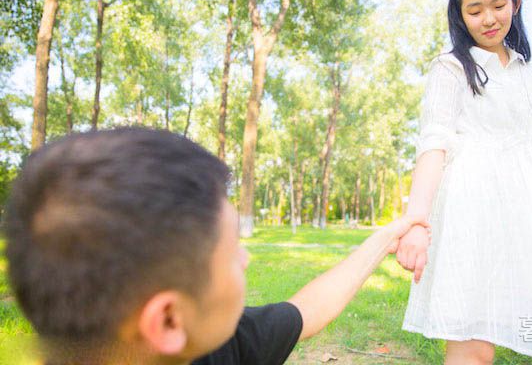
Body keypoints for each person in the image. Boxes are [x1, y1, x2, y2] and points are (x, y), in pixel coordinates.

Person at [3, 127, 428, 365]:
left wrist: (387, 237)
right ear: (168, 320)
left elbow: (307, 311)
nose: (244, 258)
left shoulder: (209, 343)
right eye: (230, 254)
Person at [395, 0, 532, 364]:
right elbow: (434, 145)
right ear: (459, 15)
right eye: (475, 10)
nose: (488, 18)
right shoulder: (451, 68)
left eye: (498, 4)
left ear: (515, 3)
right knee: (474, 343)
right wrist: (417, 223)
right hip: (474, 215)